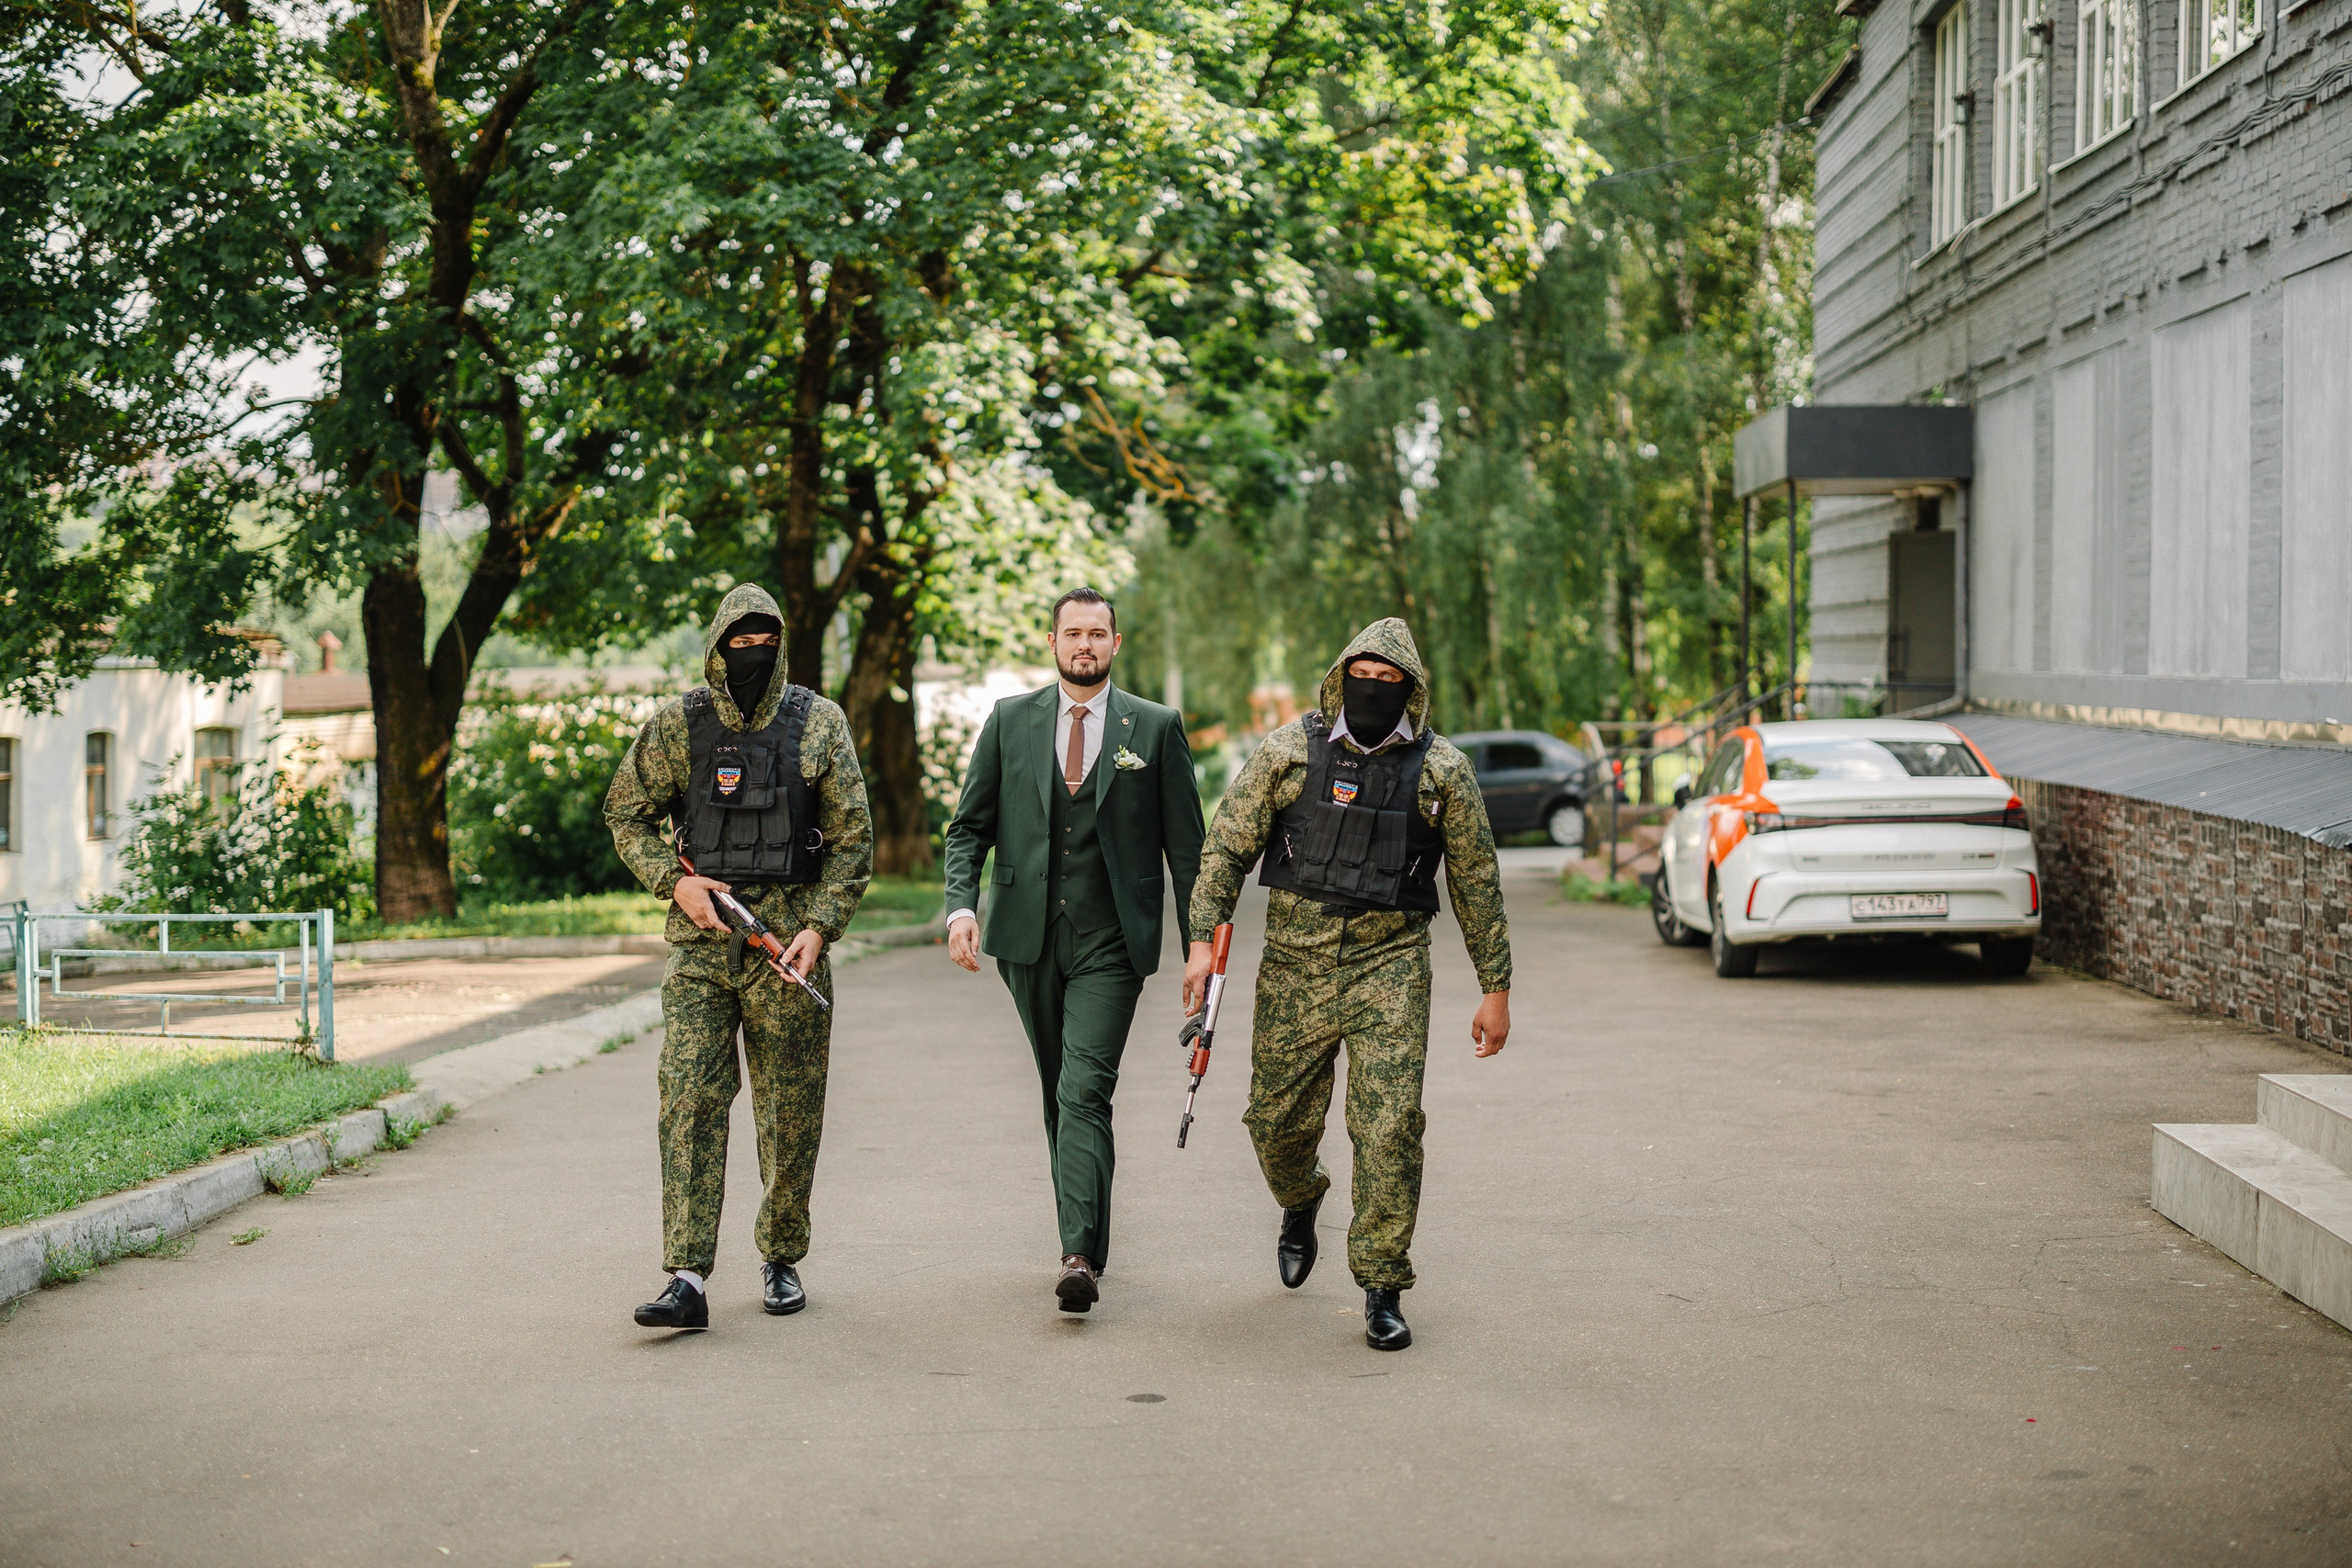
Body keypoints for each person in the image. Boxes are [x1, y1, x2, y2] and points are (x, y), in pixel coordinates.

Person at [1186, 617, 1510, 1352]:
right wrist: (1202, 942)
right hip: (1294, 960)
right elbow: (1227, 846)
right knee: (1274, 1121)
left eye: (1391, 679)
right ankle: (1301, 1197)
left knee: (1389, 1126)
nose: (1375, 687)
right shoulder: (1287, 752)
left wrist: (1496, 985)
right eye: (1363, 673)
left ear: (1412, 690)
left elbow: (1477, 879)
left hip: (1389, 962)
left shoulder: (1443, 772)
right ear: (1340, 677)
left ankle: (1382, 1282)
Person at [604, 583, 873, 1330]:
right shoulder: (679, 727)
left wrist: (820, 927)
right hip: (701, 944)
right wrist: (675, 883)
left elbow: (853, 841)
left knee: (790, 1111)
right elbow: (625, 813)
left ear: (780, 644)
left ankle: (781, 1253)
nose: (750, 652)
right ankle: (686, 1275)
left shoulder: (819, 724)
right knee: (688, 1096)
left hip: (787, 945)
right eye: (738, 641)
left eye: (763, 640)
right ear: (718, 646)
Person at [942, 587, 1205, 1314]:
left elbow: (1189, 851)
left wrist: (1200, 943)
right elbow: (968, 827)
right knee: (1061, 1089)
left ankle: (1077, 1256)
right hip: (1025, 939)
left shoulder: (1152, 727)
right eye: (1072, 633)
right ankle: (1088, 1231)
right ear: (1052, 642)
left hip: (1111, 942)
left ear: (1116, 643)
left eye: (1097, 633)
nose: (1084, 644)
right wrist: (962, 906)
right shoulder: (1008, 721)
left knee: (1083, 1088)